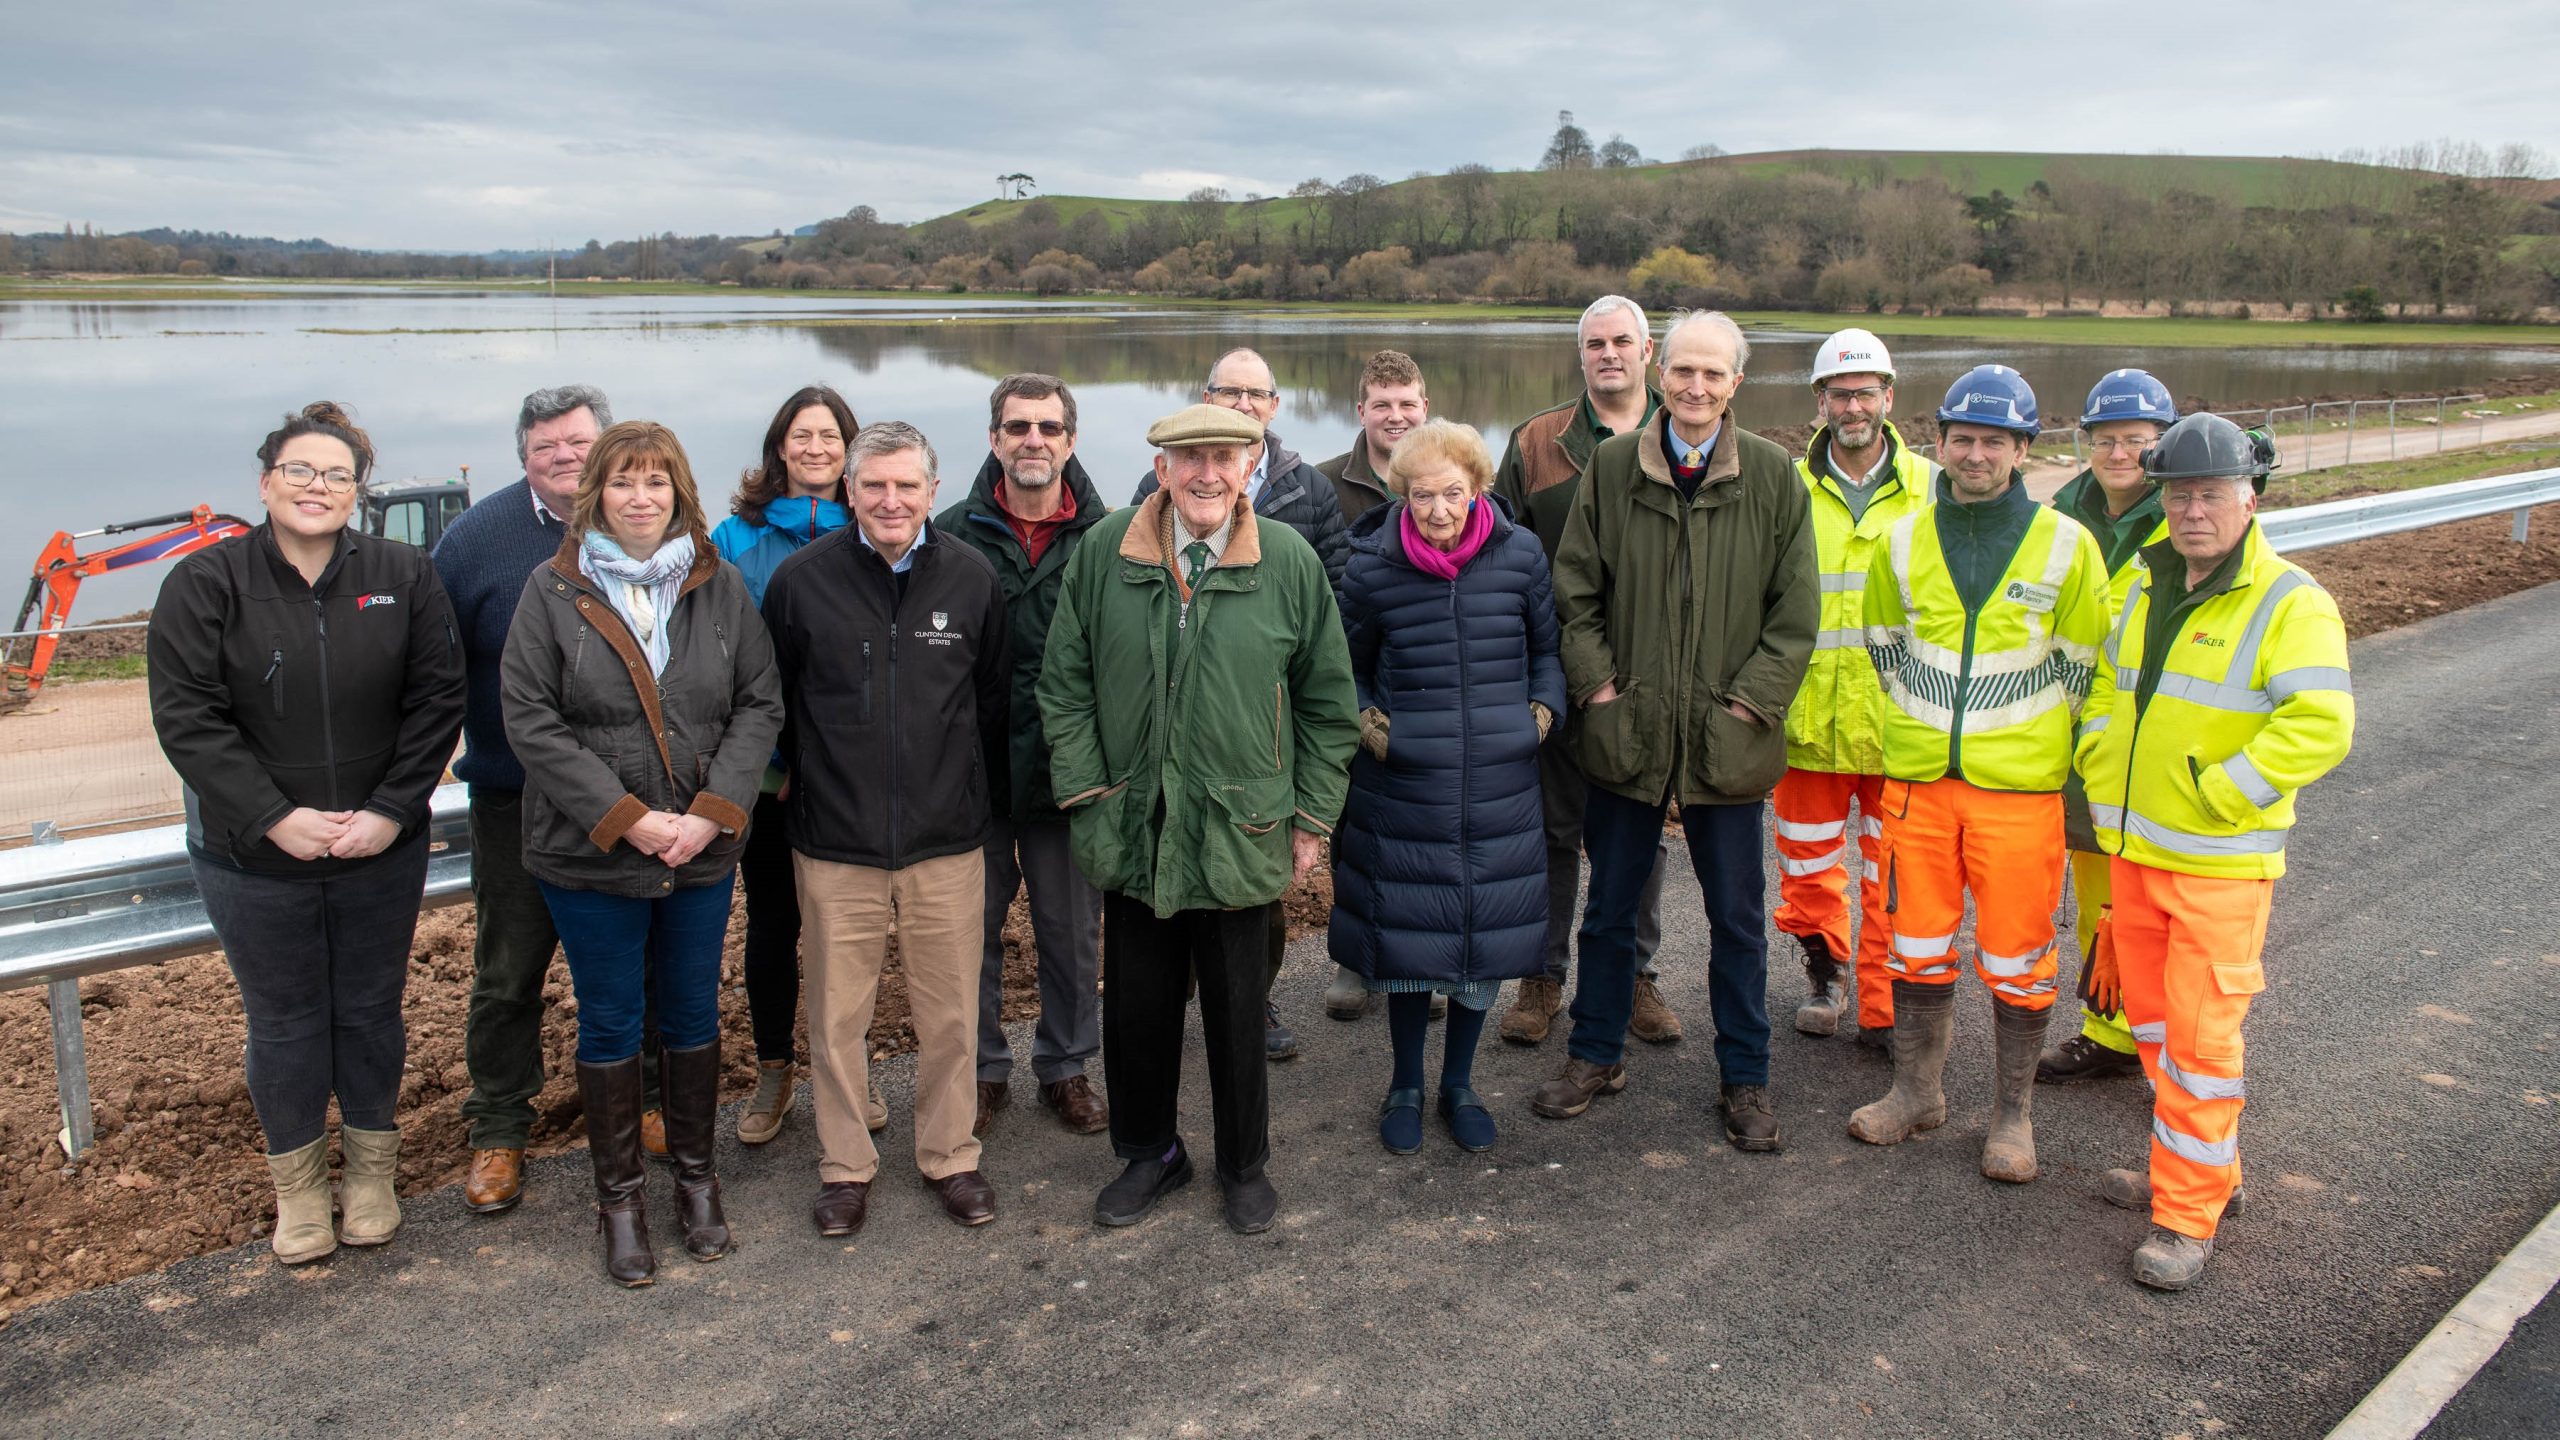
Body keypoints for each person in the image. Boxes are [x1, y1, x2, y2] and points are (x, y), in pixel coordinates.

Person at [149, 401, 466, 1265]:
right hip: (251, 856)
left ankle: (370, 1176)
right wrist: (271, 817)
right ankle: (298, 1192)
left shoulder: (405, 573)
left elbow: (437, 698)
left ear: (358, 491)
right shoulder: (205, 584)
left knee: (368, 1012)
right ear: (265, 483)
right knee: (284, 1022)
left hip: (378, 849)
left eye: (335, 475)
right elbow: (188, 719)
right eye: (299, 471)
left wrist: (391, 811)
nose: (316, 487)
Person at [1041, 403, 1358, 1234]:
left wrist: (1310, 819)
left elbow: (1329, 705)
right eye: (1189, 461)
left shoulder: (1287, 561)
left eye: (1223, 457)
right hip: (1133, 824)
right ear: (1161, 472)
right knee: (1138, 1008)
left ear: (1249, 465)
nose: (1206, 474)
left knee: (1237, 1009)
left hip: (1242, 826)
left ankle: (1244, 1164)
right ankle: (1151, 1156)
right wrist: (1088, 792)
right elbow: (1064, 684)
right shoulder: (1106, 553)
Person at [2073, 412, 2352, 1291]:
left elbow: (2321, 724)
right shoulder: (2145, 587)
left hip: (2217, 866)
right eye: (2179, 495)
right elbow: (2106, 694)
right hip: (2135, 854)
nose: (2193, 511)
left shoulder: (2289, 601)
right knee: (2155, 1032)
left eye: (2210, 495)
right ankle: (2195, 1172)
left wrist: (2223, 793)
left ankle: (2188, 1216)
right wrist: (2093, 755)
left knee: (2198, 1040)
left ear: (2250, 497)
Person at [502, 419, 783, 1286]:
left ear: (678, 495)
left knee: (695, 1016)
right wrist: (628, 818)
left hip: (698, 852)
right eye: (623, 482)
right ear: (597, 495)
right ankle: (619, 1200)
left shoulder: (719, 584)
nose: (640, 498)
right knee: (613, 1019)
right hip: (590, 859)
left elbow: (758, 704)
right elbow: (532, 723)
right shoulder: (551, 592)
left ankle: (697, 1182)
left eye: (656, 483)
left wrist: (710, 813)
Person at [1539, 310, 1818, 1151]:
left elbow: (1795, 615)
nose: (1695, 387)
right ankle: (1595, 1053)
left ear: (1737, 383)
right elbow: (1575, 589)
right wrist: (1599, 691)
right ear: (1663, 375)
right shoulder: (1615, 467)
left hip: (1727, 739)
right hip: (1628, 732)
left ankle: (1745, 1078)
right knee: (1610, 910)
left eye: (1713, 373)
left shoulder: (1774, 477)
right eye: (1684, 371)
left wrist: (1747, 705)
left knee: (1737, 919)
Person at [1849, 366, 2108, 1184]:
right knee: (1918, 949)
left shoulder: (2068, 544)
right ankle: (1916, 1093)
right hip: (1920, 784)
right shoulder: (1902, 539)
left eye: (1994, 441)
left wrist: (2015, 734)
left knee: (2018, 957)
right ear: (1940, 443)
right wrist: (1929, 718)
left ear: (2024, 450)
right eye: (1962, 438)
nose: (1975, 453)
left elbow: (2083, 669)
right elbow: (1883, 641)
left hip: (2019, 794)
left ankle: (2011, 1116)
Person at [762, 422, 1011, 1237]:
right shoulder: (801, 584)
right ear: (850, 492)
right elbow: (779, 710)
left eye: (907, 486)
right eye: (874, 486)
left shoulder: (971, 579)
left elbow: (991, 704)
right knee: (837, 1018)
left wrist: (973, 802)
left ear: (933, 493)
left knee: (949, 1016)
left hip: (946, 841)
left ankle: (952, 1155)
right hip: (835, 843)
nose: (891, 501)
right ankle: (845, 1167)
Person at [1330, 420, 1564, 1155]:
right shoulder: (1371, 566)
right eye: (1423, 495)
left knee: (1481, 941)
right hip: (1405, 785)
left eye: (1452, 493)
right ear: (1403, 494)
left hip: (1501, 779)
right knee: (1410, 940)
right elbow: (1346, 662)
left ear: (1479, 487)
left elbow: (1546, 648)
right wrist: (1371, 724)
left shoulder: (1519, 555)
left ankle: (1459, 1084)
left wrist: (1543, 714)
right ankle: (1404, 1084)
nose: (1438, 509)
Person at [435, 383, 641, 1215]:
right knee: (509, 972)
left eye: (579, 441)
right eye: (546, 444)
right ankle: (498, 1130)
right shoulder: (475, 540)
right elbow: (431, 668)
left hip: (631, 801)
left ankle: (651, 1101)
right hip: (516, 801)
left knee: (638, 964)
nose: (565, 456)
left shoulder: (643, 521)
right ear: (524, 454)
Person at [1133, 346, 1354, 1062]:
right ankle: (1176, 1009)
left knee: (1251, 896)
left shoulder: (1307, 489)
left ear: (1274, 408)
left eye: (1257, 394)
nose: (1245, 403)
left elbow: (1329, 605)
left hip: (1263, 722)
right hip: (1174, 722)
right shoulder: (1156, 486)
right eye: (1231, 391)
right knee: (1166, 879)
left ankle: (1249, 1001)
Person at [1491, 295, 1680, 1048]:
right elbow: (1499, 556)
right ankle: (1542, 977)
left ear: (1647, 350)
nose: (1608, 353)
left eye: (1621, 341)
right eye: (1595, 343)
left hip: (1654, 679)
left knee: (1638, 836)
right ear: (1582, 355)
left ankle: (1635, 976)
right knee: (1550, 833)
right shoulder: (1535, 442)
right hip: (1559, 676)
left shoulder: (1686, 432)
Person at [708, 384, 886, 1146]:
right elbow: (713, 661)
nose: (816, 449)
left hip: (850, 777)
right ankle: (776, 1070)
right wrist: (763, 769)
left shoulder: (878, 526)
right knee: (775, 926)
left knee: (849, 933)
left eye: (830, 437)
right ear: (779, 447)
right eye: (801, 436)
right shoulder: (732, 538)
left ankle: (853, 1071)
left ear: (850, 450)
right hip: (772, 779)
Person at [934, 374, 1111, 1139]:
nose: (1031, 440)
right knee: (967, 933)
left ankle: (1066, 1065)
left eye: (1047, 427)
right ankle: (980, 1069)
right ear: (994, 439)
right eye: (1016, 427)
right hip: (968, 773)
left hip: (1070, 773)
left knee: (1070, 934)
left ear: (1070, 441)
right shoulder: (947, 533)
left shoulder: (1110, 536)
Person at [1775, 329, 1935, 1050]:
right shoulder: (1787, 487)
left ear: (1888, 398)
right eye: (1840, 394)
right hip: (1806, 719)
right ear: (1821, 402)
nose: (1853, 406)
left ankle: (1880, 1007)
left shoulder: (1933, 489)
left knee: (1891, 876)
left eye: (1866, 392)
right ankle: (1826, 974)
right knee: (1807, 869)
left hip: (1899, 721)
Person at [2039, 368, 2177, 1088]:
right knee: (2100, 897)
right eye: (2106, 439)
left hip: (2149, 744)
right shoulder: (2063, 516)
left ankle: (2169, 1055)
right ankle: (2110, 1031)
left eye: (2137, 440)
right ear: (2085, 442)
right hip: (2078, 741)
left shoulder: (2184, 517)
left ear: (2163, 444)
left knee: (2158, 907)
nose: (2120, 453)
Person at [1315, 348, 1429, 1021]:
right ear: (1361, 411)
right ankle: (1355, 959)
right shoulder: (1325, 483)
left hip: (1428, 684)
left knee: (1425, 829)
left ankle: (1418, 961)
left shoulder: (1449, 477)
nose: (1394, 416)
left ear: (1424, 408)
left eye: (1406, 404)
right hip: (1348, 686)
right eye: (1381, 405)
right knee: (1354, 829)